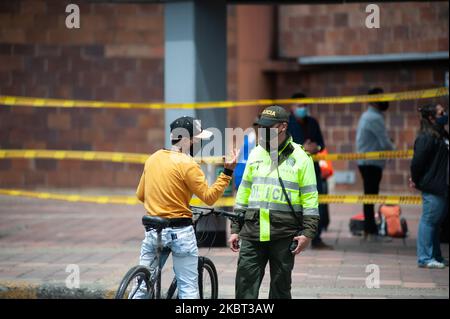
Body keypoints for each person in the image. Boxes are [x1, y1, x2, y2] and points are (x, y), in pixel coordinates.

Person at [135, 116, 239, 298]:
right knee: (188, 288)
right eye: (197, 139)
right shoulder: (188, 164)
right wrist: (227, 172)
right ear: (188, 140)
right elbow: (209, 197)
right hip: (180, 232)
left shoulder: (153, 158)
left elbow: (140, 195)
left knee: (142, 287)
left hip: (153, 230)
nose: (198, 142)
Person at [229, 105, 320, 299]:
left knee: (280, 290)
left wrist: (308, 233)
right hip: (252, 231)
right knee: (244, 288)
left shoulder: (302, 158)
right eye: (260, 126)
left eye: (267, 127)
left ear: (282, 127)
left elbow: (310, 198)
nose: (261, 131)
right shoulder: (255, 153)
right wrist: (235, 228)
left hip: (284, 233)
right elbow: (243, 194)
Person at [287, 92, 332, 249]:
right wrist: (302, 148)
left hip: (312, 169)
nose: (303, 109)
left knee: (315, 202)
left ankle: (316, 237)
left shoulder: (313, 122)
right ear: (292, 107)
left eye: (305, 106)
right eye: (300, 106)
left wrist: (316, 148)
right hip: (292, 170)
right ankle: (294, 237)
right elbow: (283, 146)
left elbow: (322, 144)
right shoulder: (286, 123)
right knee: (295, 204)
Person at [410, 104, 449, 269]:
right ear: (432, 117)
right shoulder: (427, 137)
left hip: (441, 185)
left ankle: (436, 256)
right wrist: (416, 180)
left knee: (436, 222)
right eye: (441, 113)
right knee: (429, 220)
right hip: (433, 185)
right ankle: (425, 258)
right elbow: (417, 163)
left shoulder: (441, 134)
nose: (445, 115)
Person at [356, 87, 395, 241]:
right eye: (380, 97)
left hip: (367, 162)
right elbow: (385, 141)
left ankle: (369, 230)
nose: (383, 100)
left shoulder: (368, 116)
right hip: (370, 163)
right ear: (373, 100)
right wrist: (394, 150)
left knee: (369, 196)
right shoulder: (374, 118)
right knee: (370, 197)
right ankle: (370, 231)